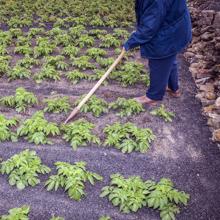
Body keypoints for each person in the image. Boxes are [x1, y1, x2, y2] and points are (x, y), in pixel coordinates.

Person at [123, 0, 192, 105]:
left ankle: (153, 96)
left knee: (159, 58)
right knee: (169, 57)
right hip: (174, 24)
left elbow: (150, 25)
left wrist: (131, 42)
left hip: (170, 29)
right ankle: (173, 88)